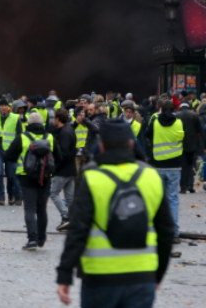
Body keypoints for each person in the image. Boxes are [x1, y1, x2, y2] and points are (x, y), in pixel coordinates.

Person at [55, 121, 175, 308]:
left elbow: (77, 230)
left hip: (100, 276)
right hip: (142, 276)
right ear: (130, 143)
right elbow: (166, 230)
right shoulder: (151, 176)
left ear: (101, 146)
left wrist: (65, 274)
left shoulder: (92, 177)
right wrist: (158, 274)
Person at [4, 111, 54, 250]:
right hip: (45, 178)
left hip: (26, 177)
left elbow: (9, 156)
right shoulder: (49, 137)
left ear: (28, 123)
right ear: (42, 123)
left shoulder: (23, 137)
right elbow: (59, 157)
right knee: (42, 209)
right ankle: (41, 239)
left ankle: (32, 239)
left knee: (30, 208)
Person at [143, 99, 182, 241]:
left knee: (159, 199)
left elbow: (147, 135)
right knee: (173, 199)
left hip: (158, 165)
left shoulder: (155, 122)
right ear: (173, 110)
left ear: (160, 109)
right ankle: (174, 232)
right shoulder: (178, 122)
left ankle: (159, 231)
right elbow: (182, 138)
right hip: (175, 165)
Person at [0, 98, 23, 206]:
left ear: (9, 107)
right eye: (2, 105)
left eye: (6, 105)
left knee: (11, 175)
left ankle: (11, 195)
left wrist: (16, 148)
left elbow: (19, 134)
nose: (4, 107)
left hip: (10, 150)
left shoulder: (15, 118)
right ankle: (1, 198)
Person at [50, 109, 77, 231]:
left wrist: (55, 167)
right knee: (70, 197)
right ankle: (72, 219)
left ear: (58, 119)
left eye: (54, 117)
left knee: (54, 193)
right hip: (70, 169)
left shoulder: (65, 133)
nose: (53, 120)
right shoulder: (68, 130)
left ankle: (65, 216)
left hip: (63, 170)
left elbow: (63, 154)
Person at [175, 102, 202, 194]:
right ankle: (190, 185)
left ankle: (183, 187)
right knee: (190, 165)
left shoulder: (177, 115)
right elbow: (199, 130)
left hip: (180, 144)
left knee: (183, 166)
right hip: (192, 144)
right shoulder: (194, 115)